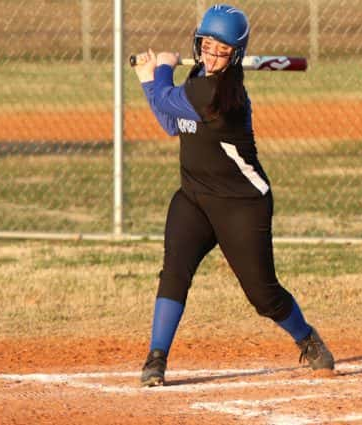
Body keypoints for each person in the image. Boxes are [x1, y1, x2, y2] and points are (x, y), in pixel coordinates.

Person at [132, 4, 334, 387]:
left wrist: (159, 69)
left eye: (222, 49)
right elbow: (171, 123)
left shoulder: (220, 94)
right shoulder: (199, 78)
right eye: (207, 45)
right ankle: (156, 359)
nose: (211, 54)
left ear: (236, 54)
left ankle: (306, 338)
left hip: (242, 205)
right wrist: (153, 80)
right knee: (175, 271)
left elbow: (165, 99)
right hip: (194, 196)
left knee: (264, 295)